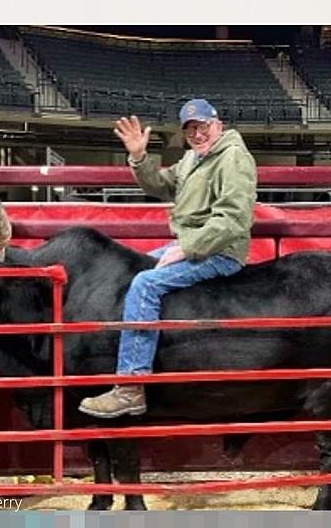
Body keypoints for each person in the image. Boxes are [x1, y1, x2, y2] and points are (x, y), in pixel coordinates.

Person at [78, 98, 257, 418]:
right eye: (191, 130)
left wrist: (187, 248)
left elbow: (233, 219)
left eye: (202, 127)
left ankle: (131, 386)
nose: (197, 135)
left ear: (218, 124)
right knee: (136, 269)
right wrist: (139, 156)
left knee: (146, 283)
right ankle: (132, 357)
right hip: (192, 244)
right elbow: (161, 185)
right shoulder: (193, 159)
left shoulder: (233, 158)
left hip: (219, 251)